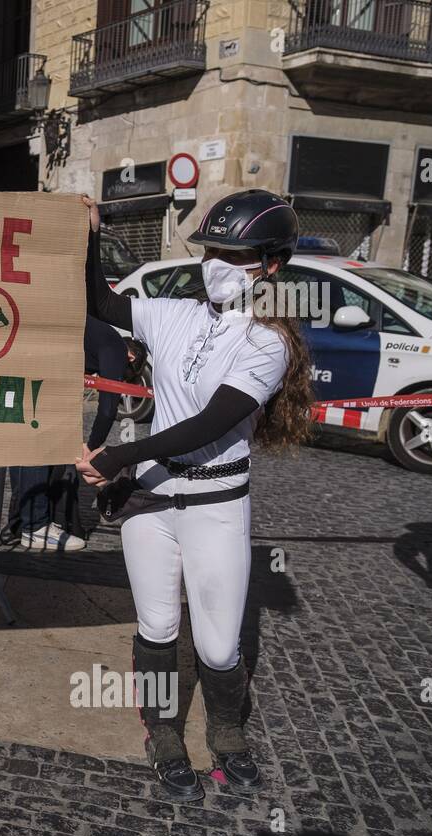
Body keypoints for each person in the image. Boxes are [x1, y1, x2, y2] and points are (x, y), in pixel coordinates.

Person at [75, 189, 313, 802]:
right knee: (156, 626)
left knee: (218, 642)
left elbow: (212, 421)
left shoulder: (268, 341)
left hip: (215, 504)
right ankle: (162, 732)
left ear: (271, 267)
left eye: (233, 255)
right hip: (151, 501)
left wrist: (119, 455)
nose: (215, 264)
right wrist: (89, 235)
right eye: (211, 250)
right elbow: (101, 302)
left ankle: (228, 732)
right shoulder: (174, 312)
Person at [10, 316, 128, 551]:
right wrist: (91, 445)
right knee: (39, 444)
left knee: (23, 446)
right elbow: (107, 408)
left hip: (25, 359)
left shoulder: (95, 334)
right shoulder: (116, 348)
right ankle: (35, 526)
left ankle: (22, 520)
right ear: (131, 357)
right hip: (38, 370)